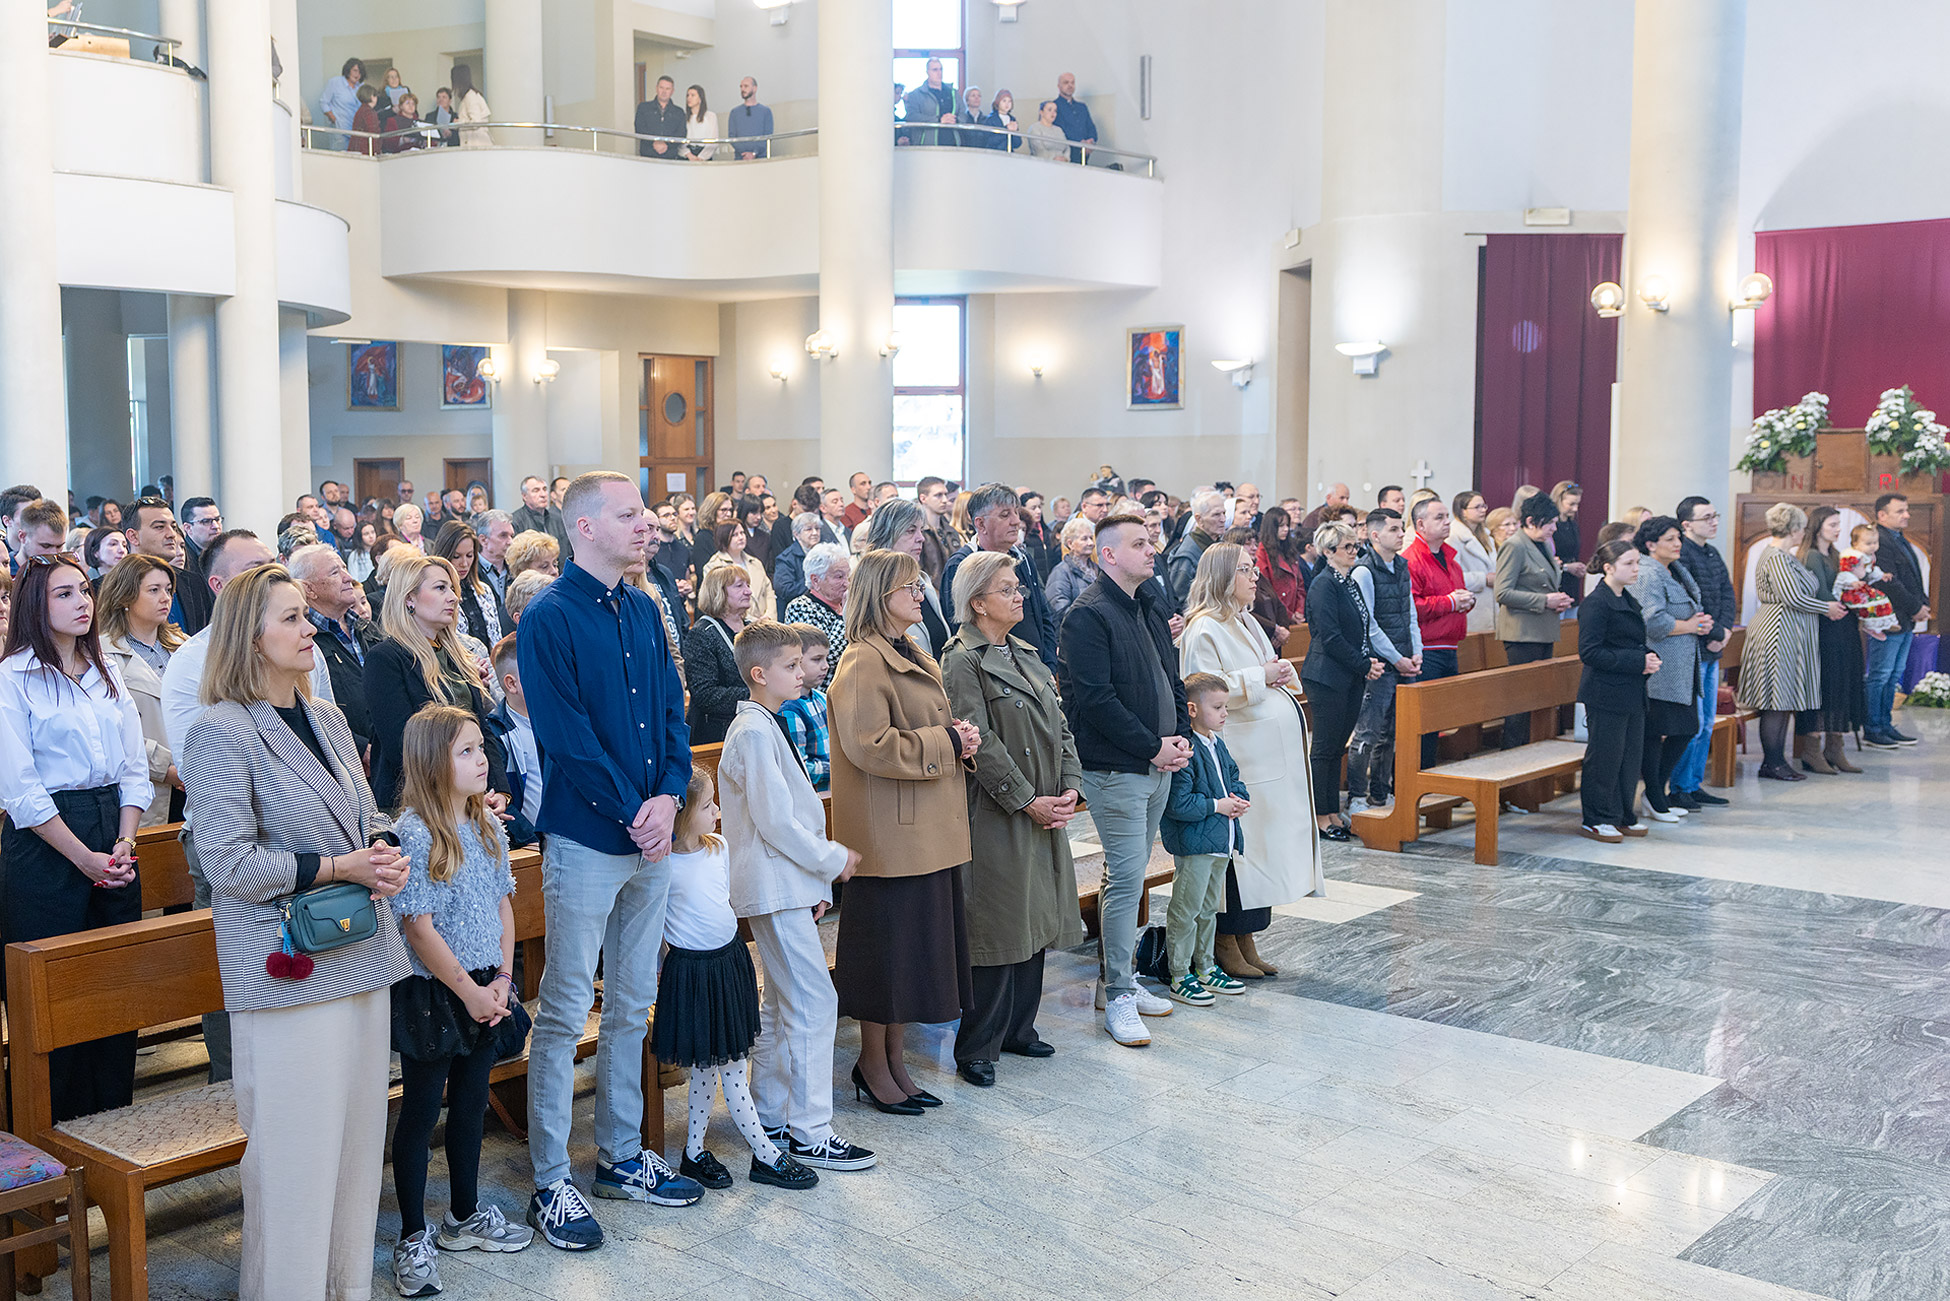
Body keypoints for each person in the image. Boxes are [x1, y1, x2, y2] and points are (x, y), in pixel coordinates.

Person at [178, 564, 411, 1300]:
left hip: (362, 951)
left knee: (355, 1153)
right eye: (292, 618)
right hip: (288, 967)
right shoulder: (220, 731)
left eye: (306, 615)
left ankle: (345, 1289)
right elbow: (227, 863)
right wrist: (339, 865)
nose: (311, 628)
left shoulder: (328, 717)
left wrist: (384, 850)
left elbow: (366, 813)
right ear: (251, 637)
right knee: (295, 1164)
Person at [517, 472, 702, 1249]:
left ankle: (622, 1155)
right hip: (588, 837)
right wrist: (636, 811)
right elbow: (566, 736)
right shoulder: (548, 616)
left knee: (632, 1002)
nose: (646, 524)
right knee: (565, 1011)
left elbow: (670, 715)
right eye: (629, 514)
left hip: (649, 832)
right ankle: (550, 1179)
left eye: (646, 513)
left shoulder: (644, 607)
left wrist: (670, 795)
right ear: (585, 526)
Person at [386, 705, 534, 1296]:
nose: (482, 760)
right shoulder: (415, 833)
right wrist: (470, 991)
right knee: (423, 1111)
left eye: (480, 748)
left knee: (472, 1102)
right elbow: (418, 927)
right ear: (432, 762)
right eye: (466, 751)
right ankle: (411, 1234)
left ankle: (464, 1215)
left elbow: (503, 906)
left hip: (487, 984)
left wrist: (502, 978)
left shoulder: (487, 823)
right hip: (436, 989)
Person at [0, 552, 151, 1120]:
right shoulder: (12, 677)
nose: (82, 602)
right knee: (55, 993)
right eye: (63, 594)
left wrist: (124, 844)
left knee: (115, 986)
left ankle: (114, 1119)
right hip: (46, 842)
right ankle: (53, 1126)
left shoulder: (104, 669)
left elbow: (133, 768)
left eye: (84, 590)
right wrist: (84, 857)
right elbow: (21, 790)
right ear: (35, 607)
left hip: (112, 829)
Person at [718, 623, 873, 1172]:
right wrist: (831, 860)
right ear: (760, 674)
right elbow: (776, 821)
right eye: (790, 665)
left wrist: (815, 881)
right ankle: (811, 1132)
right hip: (774, 882)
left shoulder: (764, 723)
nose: (802, 673)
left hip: (785, 882)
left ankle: (771, 1114)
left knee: (785, 1005)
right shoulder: (753, 731)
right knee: (814, 1002)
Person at [829, 548, 979, 1108]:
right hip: (889, 837)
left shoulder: (909, 650)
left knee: (910, 957)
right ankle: (872, 1063)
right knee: (886, 960)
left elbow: (917, 730)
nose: (920, 595)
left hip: (922, 830)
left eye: (920, 586)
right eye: (910, 588)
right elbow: (868, 745)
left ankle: (893, 1062)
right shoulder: (862, 661)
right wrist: (946, 742)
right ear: (879, 595)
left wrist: (957, 738)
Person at [940, 551, 1084, 1086]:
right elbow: (978, 742)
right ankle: (978, 1046)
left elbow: (1060, 725)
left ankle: (1019, 1029)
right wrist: (1026, 800)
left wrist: (1070, 788)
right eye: (1006, 589)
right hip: (999, 809)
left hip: (1045, 803)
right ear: (978, 603)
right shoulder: (962, 660)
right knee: (998, 925)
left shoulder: (1024, 651)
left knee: (1035, 917)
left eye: (1017, 585)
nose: (1019, 594)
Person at [645, 762, 821, 1193]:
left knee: (712, 1068)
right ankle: (766, 1155)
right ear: (684, 814)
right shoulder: (662, 865)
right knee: (730, 1070)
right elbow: (654, 926)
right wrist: (660, 967)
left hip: (728, 964)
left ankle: (693, 1152)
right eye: (708, 806)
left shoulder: (718, 847)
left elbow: (724, 899)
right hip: (693, 974)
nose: (717, 812)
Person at [1057, 514, 1190, 1046]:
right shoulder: (1087, 615)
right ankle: (1118, 994)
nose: (1152, 549)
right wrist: (1153, 746)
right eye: (1139, 543)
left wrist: (1180, 737)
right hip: (1116, 767)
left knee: (1128, 878)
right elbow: (1096, 701)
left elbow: (1170, 677)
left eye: (1150, 541)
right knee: (1128, 880)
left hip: (1158, 761)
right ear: (1108, 555)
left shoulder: (1149, 602)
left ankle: (1116, 980)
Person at [1178, 542, 1321, 978]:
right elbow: (1201, 688)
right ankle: (1225, 939)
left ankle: (1248, 937)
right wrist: (1262, 676)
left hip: (1262, 756)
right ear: (1223, 576)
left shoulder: (1245, 619)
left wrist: (1277, 672)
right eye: (1245, 570)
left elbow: (1265, 668)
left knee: (1261, 849)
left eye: (1254, 569)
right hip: (1235, 754)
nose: (1255, 576)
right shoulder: (1204, 628)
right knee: (1237, 850)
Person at [365, 554, 508, 810]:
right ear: (409, 598)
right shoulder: (385, 658)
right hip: (421, 803)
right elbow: (402, 747)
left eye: (452, 589)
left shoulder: (457, 655)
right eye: (441, 588)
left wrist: (499, 790)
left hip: (470, 796)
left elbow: (481, 729)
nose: (453, 597)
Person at [1160, 672, 1253, 1006]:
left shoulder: (1217, 743)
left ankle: (1206, 967)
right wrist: (1218, 805)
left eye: (1225, 706)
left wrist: (1238, 798)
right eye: (1217, 707)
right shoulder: (1185, 749)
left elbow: (1233, 777)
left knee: (1209, 910)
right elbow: (1178, 804)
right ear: (1192, 709)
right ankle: (1179, 974)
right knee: (1186, 910)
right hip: (1196, 844)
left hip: (1219, 842)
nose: (1225, 713)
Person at [1738, 503, 1846, 781]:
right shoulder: (1775, 557)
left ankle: (1777, 761)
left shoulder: (1786, 556)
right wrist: (1826, 608)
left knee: (1784, 699)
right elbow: (1792, 597)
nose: (1804, 532)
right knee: (1776, 700)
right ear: (1793, 529)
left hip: (1790, 633)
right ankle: (1772, 763)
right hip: (1777, 633)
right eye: (1802, 528)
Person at [1302, 521, 1385, 842]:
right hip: (1327, 677)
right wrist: (1364, 665)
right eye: (1347, 547)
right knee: (1324, 748)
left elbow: (1362, 626)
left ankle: (1333, 812)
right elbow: (1330, 636)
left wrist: (1367, 661)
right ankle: (1319, 816)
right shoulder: (1324, 585)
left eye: (1355, 545)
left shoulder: (1348, 582)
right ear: (1327, 551)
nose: (1354, 551)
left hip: (1349, 675)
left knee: (1338, 748)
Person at [1631, 516, 1711, 819]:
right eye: (1670, 539)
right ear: (1651, 544)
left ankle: (1656, 791)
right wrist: (1690, 625)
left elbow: (1689, 609)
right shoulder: (1647, 573)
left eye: (1679, 538)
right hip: (1660, 665)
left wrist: (1700, 623)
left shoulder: (1675, 569)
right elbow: (1651, 621)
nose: (1678, 544)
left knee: (1687, 728)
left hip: (1682, 665)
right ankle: (1654, 795)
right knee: (1656, 732)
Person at [1578, 540, 1656, 843]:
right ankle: (1597, 818)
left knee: (1629, 757)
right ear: (1609, 567)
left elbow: (1630, 642)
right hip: (1606, 692)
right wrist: (1638, 661)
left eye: (1637, 563)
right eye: (1628, 563)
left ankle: (1623, 814)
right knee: (1605, 757)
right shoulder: (1597, 603)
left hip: (1631, 690)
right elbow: (1590, 652)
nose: (1636, 569)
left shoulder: (1627, 598)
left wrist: (1648, 657)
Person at [95, 555, 182, 827]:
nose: (165, 598)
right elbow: (112, 729)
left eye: (168, 589)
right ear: (125, 596)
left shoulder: (186, 646)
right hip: (148, 784)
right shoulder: (101, 654)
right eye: (153, 590)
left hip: (196, 777)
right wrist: (167, 769)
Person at [1346, 509, 1422, 814]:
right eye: (1394, 529)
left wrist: (1416, 651)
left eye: (1401, 528)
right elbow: (1369, 625)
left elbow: (1410, 612)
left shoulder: (1401, 565)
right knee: (1368, 732)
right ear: (1374, 535)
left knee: (1392, 732)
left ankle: (1381, 792)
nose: (1401, 534)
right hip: (1379, 664)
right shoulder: (1364, 571)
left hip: (1404, 659)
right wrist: (1397, 658)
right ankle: (1356, 796)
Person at [942, 483, 1060, 673]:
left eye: (1016, 512)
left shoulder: (1023, 558)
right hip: (991, 676)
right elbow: (960, 631)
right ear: (981, 524)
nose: (1015, 521)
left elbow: (1043, 615)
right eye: (1005, 515)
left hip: (1036, 669)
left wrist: (1049, 666)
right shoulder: (962, 565)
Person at [1668, 496, 1734, 805]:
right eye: (1707, 518)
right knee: (1692, 724)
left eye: (1715, 515)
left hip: (1713, 646)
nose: (1714, 522)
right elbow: (1693, 601)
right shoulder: (1682, 555)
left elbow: (1726, 594)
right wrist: (1715, 634)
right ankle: (1679, 787)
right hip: (1693, 647)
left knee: (1707, 722)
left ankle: (1693, 784)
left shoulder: (1712, 552)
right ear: (1687, 525)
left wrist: (1725, 632)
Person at [1493, 492, 1573, 747]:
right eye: (1549, 523)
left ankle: (1534, 749)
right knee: (1521, 701)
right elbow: (1502, 592)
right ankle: (1512, 750)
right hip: (1522, 633)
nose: (1554, 528)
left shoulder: (1544, 544)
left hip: (1543, 629)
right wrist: (1544, 601)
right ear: (1530, 521)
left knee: (1539, 698)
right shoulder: (1515, 546)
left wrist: (1558, 600)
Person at [1795, 506, 1868, 773]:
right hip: (1825, 629)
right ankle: (1811, 750)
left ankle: (1835, 748)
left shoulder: (1837, 554)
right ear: (1817, 527)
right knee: (1824, 686)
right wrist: (1840, 604)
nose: (1838, 530)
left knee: (1842, 685)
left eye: (1839, 525)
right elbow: (1822, 593)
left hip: (1844, 627)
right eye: (1832, 525)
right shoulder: (1812, 555)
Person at [1868, 493, 1928, 748]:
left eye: (1907, 510)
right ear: (1882, 515)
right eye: (1900, 511)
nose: (1907, 515)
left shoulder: (1898, 537)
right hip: (1889, 618)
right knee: (1880, 675)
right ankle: (1873, 727)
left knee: (1893, 675)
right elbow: (1889, 583)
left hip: (1905, 617)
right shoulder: (1879, 541)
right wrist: (1915, 607)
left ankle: (1885, 724)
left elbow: (1912, 576)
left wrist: (1923, 603)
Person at [863, 501, 950, 655]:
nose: (921, 538)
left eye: (921, 530)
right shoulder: (867, 589)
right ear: (886, 534)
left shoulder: (922, 582)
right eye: (911, 531)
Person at [683, 562, 753, 745]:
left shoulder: (753, 628)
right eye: (739, 586)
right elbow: (705, 694)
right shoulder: (702, 634)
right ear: (718, 592)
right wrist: (755, 695)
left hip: (753, 724)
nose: (748, 592)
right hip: (718, 734)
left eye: (748, 585)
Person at [125, 495, 213, 634]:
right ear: (133, 536)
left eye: (173, 526)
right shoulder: (104, 588)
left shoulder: (193, 583)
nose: (171, 534)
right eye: (160, 527)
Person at [432, 518, 506, 650]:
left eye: (469, 555)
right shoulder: (436, 595)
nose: (464, 563)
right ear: (444, 555)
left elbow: (496, 639)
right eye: (456, 556)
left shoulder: (484, 591)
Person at [777, 623, 833, 792]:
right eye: (817, 659)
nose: (826, 666)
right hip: (814, 794)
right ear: (797, 661)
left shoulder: (822, 698)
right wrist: (837, 767)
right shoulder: (790, 710)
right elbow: (799, 767)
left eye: (826, 658)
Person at [784, 541, 850, 667]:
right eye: (839, 577)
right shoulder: (801, 607)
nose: (846, 583)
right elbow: (827, 658)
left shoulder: (843, 604)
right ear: (815, 580)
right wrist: (846, 616)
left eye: (848, 576)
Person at [1165, 491, 1227, 611]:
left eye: (1224, 513)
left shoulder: (1217, 544)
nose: (1223, 519)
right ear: (1199, 519)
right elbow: (1180, 602)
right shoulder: (1187, 555)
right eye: (1216, 515)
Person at [702, 521, 775, 621]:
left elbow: (769, 592)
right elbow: (719, 601)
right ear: (724, 537)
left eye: (742, 533)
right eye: (735, 535)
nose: (741, 537)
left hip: (765, 622)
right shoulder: (714, 566)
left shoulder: (755, 563)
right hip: (735, 622)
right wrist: (753, 621)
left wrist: (769, 616)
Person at [1044, 515, 1099, 626]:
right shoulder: (1060, 572)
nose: (1091, 543)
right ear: (1070, 544)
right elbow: (1060, 609)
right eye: (1084, 539)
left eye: (1091, 538)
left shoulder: (1097, 569)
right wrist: (1093, 619)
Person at [512, 475, 573, 562]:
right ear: (524, 496)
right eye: (536, 490)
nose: (543, 495)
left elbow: (568, 553)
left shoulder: (558, 519)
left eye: (544, 489)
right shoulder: (516, 521)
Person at [770, 511, 824, 609]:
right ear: (796, 534)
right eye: (809, 529)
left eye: (817, 528)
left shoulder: (825, 554)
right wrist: (815, 582)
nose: (815, 533)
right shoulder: (786, 559)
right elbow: (785, 590)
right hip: (797, 609)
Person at [902, 58, 959, 146]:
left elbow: (963, 113)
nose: (939, 73)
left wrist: (955, 120)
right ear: (927, 72)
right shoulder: (916, 94)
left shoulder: (953, 93)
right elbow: (912, 116)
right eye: (935, 70)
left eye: (941, 69)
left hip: (953, 143)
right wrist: (938, 120)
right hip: (927, 146)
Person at [1549, 481, 1587, 607]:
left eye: (1577, 504)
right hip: (1556, 583)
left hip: (1572, 584)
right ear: (1558, 500)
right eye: (1571, 504)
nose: (1575, 509)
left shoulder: (1573, 525)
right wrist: (1567, 567)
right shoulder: (1550, 528)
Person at [635, 74, 686, 159]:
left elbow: (681, 134)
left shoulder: (679, 112)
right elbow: (640, 128)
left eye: (667, 89)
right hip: (647, 156)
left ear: (672, 91)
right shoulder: (643, 108)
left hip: (670, 157)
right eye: (661, 88)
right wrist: (654, 142)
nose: (664, 91)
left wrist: (667, 144)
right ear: (656, 88)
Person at [320, 57, 365, 150]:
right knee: (340, 157)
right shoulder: (335, 82)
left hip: (356, 132)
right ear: (348, 70)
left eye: (360, 72)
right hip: (340, 131)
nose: (357, 74)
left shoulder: (361, 86)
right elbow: (323, 102)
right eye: (355, 71)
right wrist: (334, 119)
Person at [1052, 71, 1098, 162]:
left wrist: (1091, 141)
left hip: (1084, 153)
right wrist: (1080, 142)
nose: (1070, 85)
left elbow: (1091, 127)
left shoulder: (1082, 107)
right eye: (1066, 82)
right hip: (1064, 154)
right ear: (1059, 86)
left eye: (1072, 82)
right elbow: (1059, 129)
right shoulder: (1053, 106)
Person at [727, 76, 773, 159]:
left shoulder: (766, 111)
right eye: (741, 86)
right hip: (741, 159)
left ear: (755, 88)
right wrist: (745, 153)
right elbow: (732, 137)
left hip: (761, 159)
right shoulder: (734, 112)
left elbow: (767, 136)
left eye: (746, 86)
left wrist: (754, 153)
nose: (742, 89)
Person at [451, 63, 492, 147]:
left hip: (476, 144)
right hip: (473, 143)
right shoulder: (470, 96)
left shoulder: (471, 96)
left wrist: (459, 123)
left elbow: (475, 122)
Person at [681, 83, 718, 160]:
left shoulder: (710, 116)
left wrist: (701, 157)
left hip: (704, 155)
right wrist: (688, 154)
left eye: (693, 95)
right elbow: (680, 140)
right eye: (687, 95)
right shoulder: (683, 117)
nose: (689, 98)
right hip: (688, 155)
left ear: (700, 98)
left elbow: (713, 141)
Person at [350, 83, 384, 156]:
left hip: (356, 147)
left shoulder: (361, 110)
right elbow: (373, 132)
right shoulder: (369, 112)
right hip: (366, 150)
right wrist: (376, 151)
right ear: (372, 97)